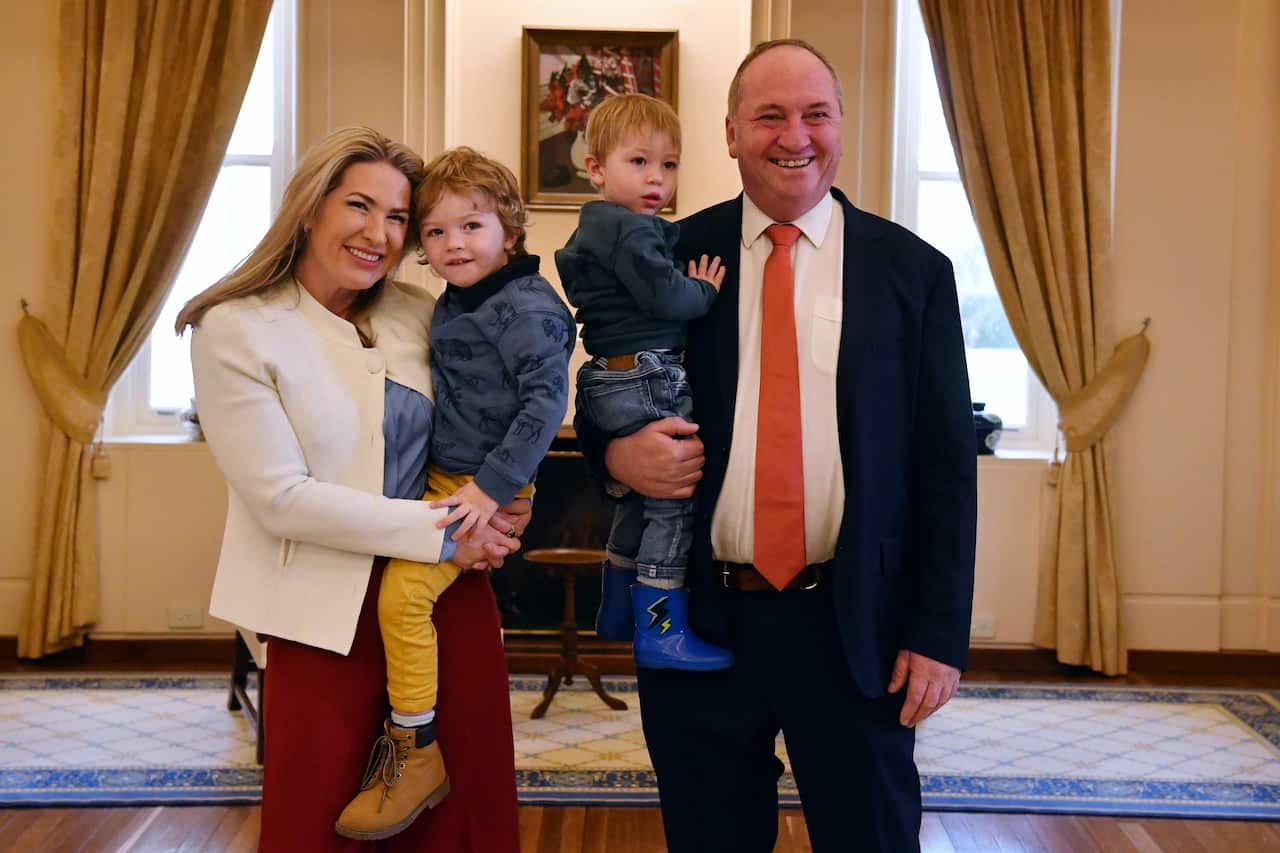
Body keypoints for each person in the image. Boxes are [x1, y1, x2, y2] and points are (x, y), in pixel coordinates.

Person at [575, 41, 977, 852]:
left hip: (854, 622)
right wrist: (619, 457)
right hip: (704, 618)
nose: (795, 135)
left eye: (815, 113)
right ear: (730, 134)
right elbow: (605, 388)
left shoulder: (915, 272)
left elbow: (944, 467)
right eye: (769, 116)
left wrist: (938, 634)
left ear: (839, 126)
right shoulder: (668, 254)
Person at [179, 126, 524, 852]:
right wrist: (449, 527)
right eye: (359, 206)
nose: (379, 233)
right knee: (319, 822)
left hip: (443, 599)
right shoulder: (233, 328)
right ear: (311, 208)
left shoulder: (425, 314)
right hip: (316, 618)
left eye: (398, 217)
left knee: (460, 820)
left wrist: (509, 498)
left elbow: (492, 421)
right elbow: (281, 498)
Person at [336, 147, 574, 839]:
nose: (453, 244)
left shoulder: (527, 307)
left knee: (404, 595)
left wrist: (492, 490)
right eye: (436, 232)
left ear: (510, 228)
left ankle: (417, 746)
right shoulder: (454, 300)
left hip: (479, 482)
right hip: (446, 474)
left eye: (471, 226)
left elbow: (545, 401)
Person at [554, 93, 732, 671]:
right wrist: (703, 290)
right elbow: (665, 295)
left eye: (670, 164)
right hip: (649, 370)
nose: (657, 178)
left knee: (636, 496)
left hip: (607, 375)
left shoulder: (596, 227)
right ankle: (660, 626)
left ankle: (615, 607)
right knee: (674, 501)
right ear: (596, 168)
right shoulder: (631, 231)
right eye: (639, 162)